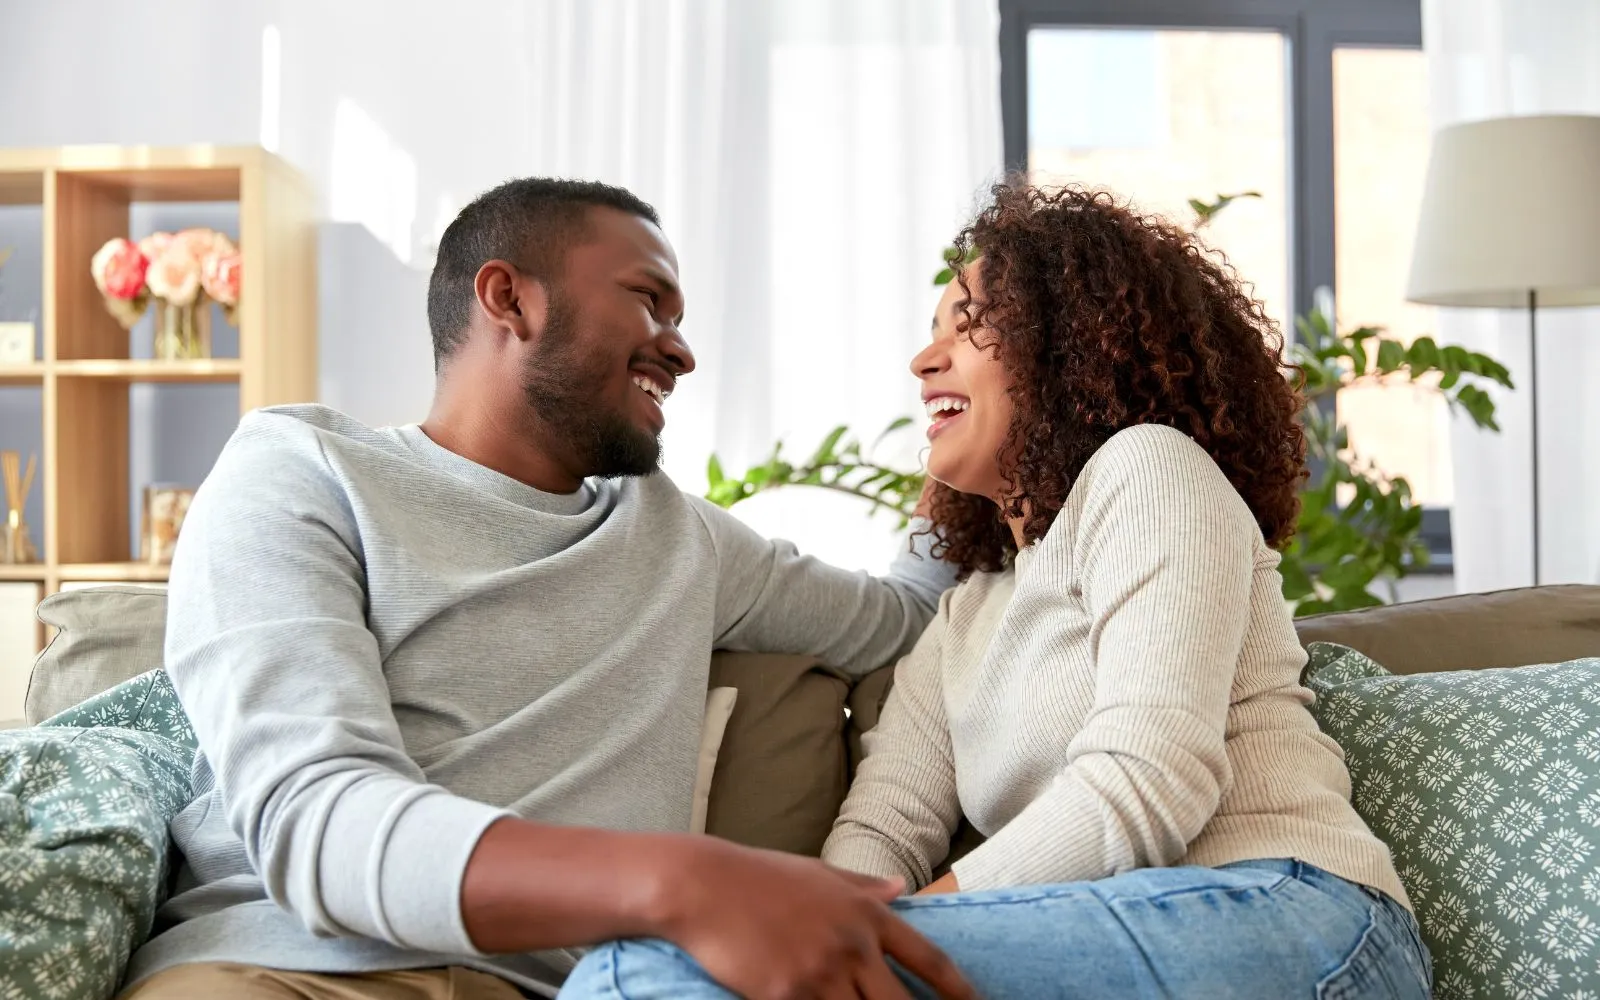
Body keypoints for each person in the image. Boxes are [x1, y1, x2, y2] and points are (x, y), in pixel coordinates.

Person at [558, 183, 1435, 998]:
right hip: (1129, 934)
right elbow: (884, 829)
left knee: (639, 980)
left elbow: (1151, 779)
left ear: (1075, 345)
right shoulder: (966, 612)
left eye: (970, 324)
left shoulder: (1150, 472)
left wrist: (879, 935)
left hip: (1292, 919)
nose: (922, 358)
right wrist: (825, 919)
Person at [118, 179, 979, 1000]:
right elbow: (319, 821)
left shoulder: (680, 536)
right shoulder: (300, 473)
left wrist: (965, 441)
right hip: (284, 970)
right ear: (510, 299)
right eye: (649, 300)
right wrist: (686, 884)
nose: (681, 350)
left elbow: (903, 619)